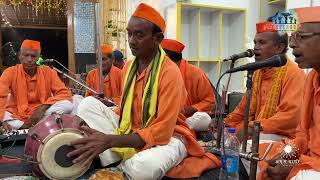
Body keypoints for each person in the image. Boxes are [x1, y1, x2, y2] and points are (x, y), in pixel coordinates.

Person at [68, 3, 219, 179]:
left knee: (142, 167)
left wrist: (109, 140)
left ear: (157, 38)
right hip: (131, 129)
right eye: (129, 33)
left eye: (139, 35)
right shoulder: (130, 66)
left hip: (170, 137)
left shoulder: (170, 73)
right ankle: (114, 156)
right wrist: (107, 122)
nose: (131, 40)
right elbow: (125, 110)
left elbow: (162, 131)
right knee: (87, 104)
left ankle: (119, 158)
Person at [259, 6, 320, 180]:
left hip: (313, 165)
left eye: (301, 36)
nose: (292, 44)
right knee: (264, 157)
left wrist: (295, 163)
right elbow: (302, 134)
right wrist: (288, 154)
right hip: (308, 158)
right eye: (292, 37)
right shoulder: (312, 78)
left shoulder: (297, 74)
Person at [0, 39, 73, 131]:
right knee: (4, 115)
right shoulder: (10, 72)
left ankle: (24, 127)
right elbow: (1, 96)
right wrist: (2, 119)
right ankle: (31, 126)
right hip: (16, 112)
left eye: (33, 56)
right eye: (26, 55)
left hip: (42, 113)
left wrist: (42, 108)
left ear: (39, 58)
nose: (29, 60)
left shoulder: (49, 72)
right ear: (20, 56)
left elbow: (64, 93)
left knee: (68, 105)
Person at [161, 39, 215, 118]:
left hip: (190, 120)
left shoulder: (195, 73)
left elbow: (210, 101)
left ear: (166, 58)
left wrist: (191, 109)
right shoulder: (157, 71)